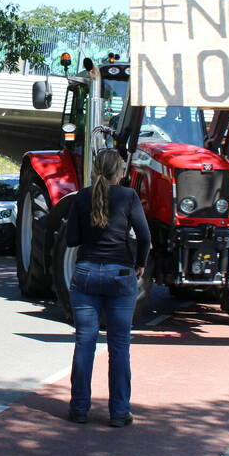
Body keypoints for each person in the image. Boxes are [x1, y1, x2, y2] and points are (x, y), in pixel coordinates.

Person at [65, 149, 151, 427]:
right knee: (119, 346)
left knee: (85, 343)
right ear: (120, 172)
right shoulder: (128, 196)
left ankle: (79, 409)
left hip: (86, 273)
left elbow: (71, 240)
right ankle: (119, 412)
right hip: (120, 275)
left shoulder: (81, 197)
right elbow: (145, 237)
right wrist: (139, 262)